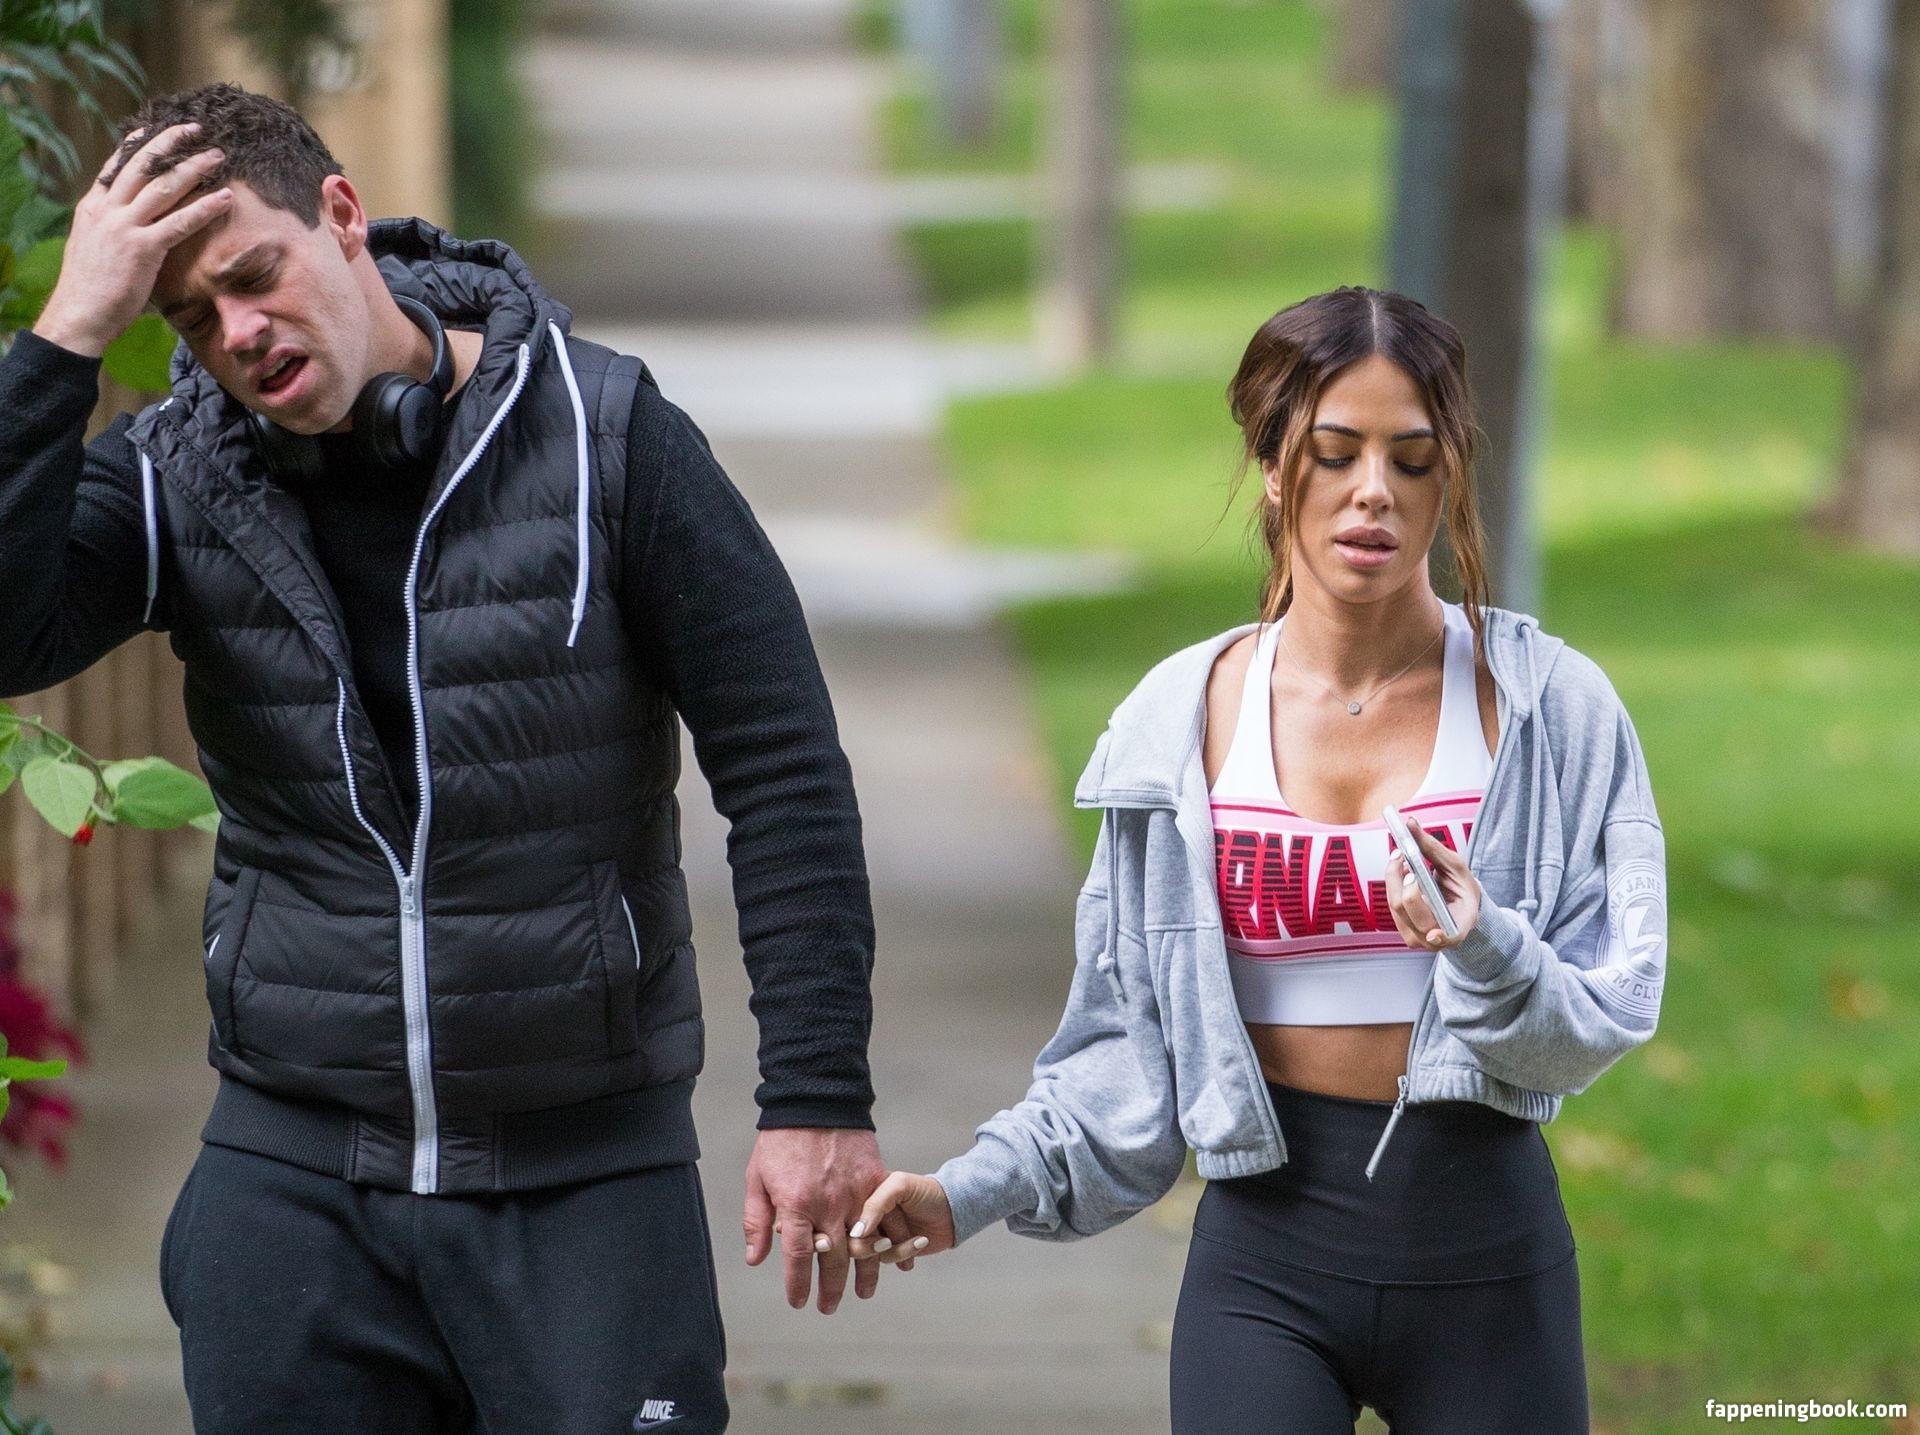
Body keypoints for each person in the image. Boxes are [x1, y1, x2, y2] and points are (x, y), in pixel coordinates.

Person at [0, 83, 911, 1435]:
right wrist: (66, 334)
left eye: (253, 275)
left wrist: (817, 1096)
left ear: (342, 215)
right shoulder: (177, 474)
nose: (238, 334)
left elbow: (781, 766)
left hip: (585, 1178)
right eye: (191, 317)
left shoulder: (607, 438)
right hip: (294, 1182)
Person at [851, 287, 1668, 1433]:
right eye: (1335, 453)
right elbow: (1124, 1048)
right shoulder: (1179, 724)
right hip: (1263, 1270)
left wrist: (1486, 945)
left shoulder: (1550, 713)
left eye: (1412, 459)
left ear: (1449, 476)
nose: (1373, 490)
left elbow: (1605, 1012)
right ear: (1275, 465)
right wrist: (965, 1191)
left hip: (1488, 1263)